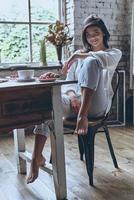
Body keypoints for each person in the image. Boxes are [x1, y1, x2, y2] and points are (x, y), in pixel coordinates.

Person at [27, 15, 122, 183]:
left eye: (96, 32)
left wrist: (76, 57)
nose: (92, 37)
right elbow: (68, 83)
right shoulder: (80, 56)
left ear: (104, 34)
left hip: (96, 105)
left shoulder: (114, 53)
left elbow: (97, 58)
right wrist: (71, 96)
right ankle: (37, 157)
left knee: (92, 62)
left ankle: (82, 116)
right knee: (48, 105)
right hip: (75, 102)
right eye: (88, 34)